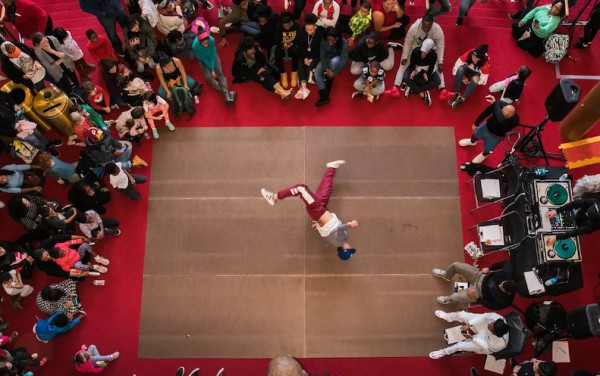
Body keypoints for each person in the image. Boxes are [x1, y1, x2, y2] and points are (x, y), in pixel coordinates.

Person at [260, 160, 359, 260]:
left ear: (344, 250)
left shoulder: (341, 240)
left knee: (300, 189)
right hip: (321, 210)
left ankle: (274, 197)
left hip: (318, 211)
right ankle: (331, 168)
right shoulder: (335, 241)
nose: (350, 247)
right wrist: (319, 225)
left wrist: (349, 225)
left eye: (349, 249)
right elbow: (326, 233)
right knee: (326, 189)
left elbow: (339, 229)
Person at [389, 14, 446, 98]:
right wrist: (405, 57)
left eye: (428, 27)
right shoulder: (414, 28)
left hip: (430, 50)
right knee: (403, 64)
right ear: (421, 23)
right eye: (424, 26)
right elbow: (408, 42)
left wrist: (440, 61)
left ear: (432, 24)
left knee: (438, 66)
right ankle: (395, 86)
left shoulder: (438, 30)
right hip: (415, 47)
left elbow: (440, 46)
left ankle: (442, 89)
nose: (426, 29)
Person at [457, 95, 518, 164]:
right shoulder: (500, 104)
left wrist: (495, 104)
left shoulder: (515, 120)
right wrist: (475, 124)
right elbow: (485, 113)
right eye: (501, 112)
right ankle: (472, 142)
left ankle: (484, 155)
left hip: (495, 136)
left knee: (488, 149)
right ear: (503, 108)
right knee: (475, 134)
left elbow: (501, 120)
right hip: (486, 126)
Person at [432, 260, 517, 309]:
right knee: (456, 265)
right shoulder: (509, 274)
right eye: (502, 283)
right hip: (480, 276)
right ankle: (447, 276)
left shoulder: (505, 301)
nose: (499, 285)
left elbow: (490, 306)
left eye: (501, 288)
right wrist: (489, 268)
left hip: (478, 293)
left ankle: (449, 300)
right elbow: (506, 263)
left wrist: (477, 297)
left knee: (454, 297)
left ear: (507, 292)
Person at [429, 310, 510, 359]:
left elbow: (486, 346)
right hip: (482, 325)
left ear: (494, 333)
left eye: (490, 328)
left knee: (460, 346)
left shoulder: (500, 344)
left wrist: (472, 338)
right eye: (491, 323)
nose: (489, 325)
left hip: (484, 343)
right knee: (461, 315)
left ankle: (444, 352)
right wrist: (469, 324)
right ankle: (448, 316)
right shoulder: (497, 317)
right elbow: (483, 317)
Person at [191, 30, 236, 104]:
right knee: (208, 77)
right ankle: (228, 93)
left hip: (213, 56)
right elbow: (203, 58)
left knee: (220, 73)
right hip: (203, 60)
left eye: (207, 42)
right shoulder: (195, 45)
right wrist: (211, 69)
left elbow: (212, 54)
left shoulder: (211, 39)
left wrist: (212, 69)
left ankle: (227, 96)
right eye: (204, 43)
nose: (206, 45)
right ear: (199, 42)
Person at [449, 43, 490, 109]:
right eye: (472, 56)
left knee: (476, 79)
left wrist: (469, 82)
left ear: (479, 59)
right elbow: (458, 64)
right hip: (467, 68)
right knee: (460, 69)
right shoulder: (469, 54)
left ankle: (462, 98)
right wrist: (463, 77)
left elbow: (483, 80)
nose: (472, 58)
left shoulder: (486, 64)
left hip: (476, 73)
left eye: (475, 58)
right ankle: (455, 93)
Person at [314, 29, 348, 106]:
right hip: (325, 59)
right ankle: (324, 96)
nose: (329, 41)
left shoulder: (343, 42)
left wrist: (334, 73)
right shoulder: (323, 40)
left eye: (332, 40)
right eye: (328, 39)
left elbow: (344, 59)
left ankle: (330, 77)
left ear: (337, 38)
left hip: (337, 59)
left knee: (334, 61)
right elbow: (322, 55)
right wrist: (326, 68)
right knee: (316, 74)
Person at [402, 38, 440, 107]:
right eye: (422, 51)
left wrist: (427, 74)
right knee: (405, 77)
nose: (422, 54)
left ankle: (413, 87)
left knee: (438, 81)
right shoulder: (416, 51)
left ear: (430, 51)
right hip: (416, 67)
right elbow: (412, 64)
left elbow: (431, 66)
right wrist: (413, 70)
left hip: (427, 68)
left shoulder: (433, 55)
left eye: (425, 52)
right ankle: (421, 93)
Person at [295, 13, 325, 100]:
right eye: (307, 29)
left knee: (308, 67)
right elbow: (300, 46)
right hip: (304, 53)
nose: (308, 32)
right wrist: (304, 57)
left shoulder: (320, 31)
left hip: (315, 54)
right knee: (300, 63)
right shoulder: (300, 30)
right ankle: (304, 88)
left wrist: (311, 58)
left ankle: (302, 88)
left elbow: (320, 48)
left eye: (311, 30)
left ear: (315, 26)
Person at [274, 12, 301, 89]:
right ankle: (283, 73)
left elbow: (300, 39)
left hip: (293, 45)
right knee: (277, 53)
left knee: (296, 51)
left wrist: (292, 43)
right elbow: (275, 39)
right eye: (285, 26)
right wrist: (282, 44)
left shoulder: (297, 26)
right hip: (283, 45)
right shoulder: (278, 27)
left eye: (288, 26)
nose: (287, 28)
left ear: (291, 22)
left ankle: (294, 72)